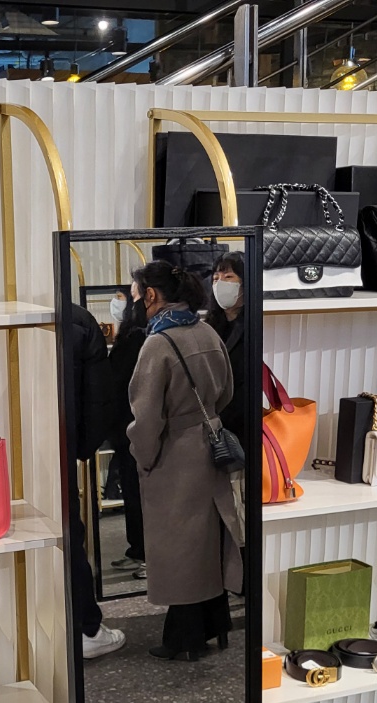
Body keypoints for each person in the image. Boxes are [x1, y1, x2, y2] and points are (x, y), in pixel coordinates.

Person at [127, 260, 243, 660]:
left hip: (174, 454)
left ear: (151, 294)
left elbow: (146, 419)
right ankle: (213, 626)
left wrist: (143, 458)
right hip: (210, 445)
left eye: (139, 293)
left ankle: (185, 639)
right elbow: (227, 391)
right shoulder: (207, 331)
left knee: (178, 548)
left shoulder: (158, 344)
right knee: (206, 541)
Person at [62, 302, 126, 660]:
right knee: (67, 537)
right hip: (58, 449)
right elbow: (98, 398)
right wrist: (82, 448)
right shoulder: (78, 320)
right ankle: (85, 629)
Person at [106, 285, 147, 577]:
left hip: (137, 426)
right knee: (132, 492)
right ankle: (138, 550)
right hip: (124, 427)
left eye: (128, 297)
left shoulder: (140, 336)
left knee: (141, 494)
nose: (120, 303)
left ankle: (147, 555)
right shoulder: (128, 334)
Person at [205, 252, 249, 441]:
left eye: (228, 277)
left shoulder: (254, 324)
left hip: (242, 421)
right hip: (213, 420)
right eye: (216, 278)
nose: (220, 283)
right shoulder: (209, 325)